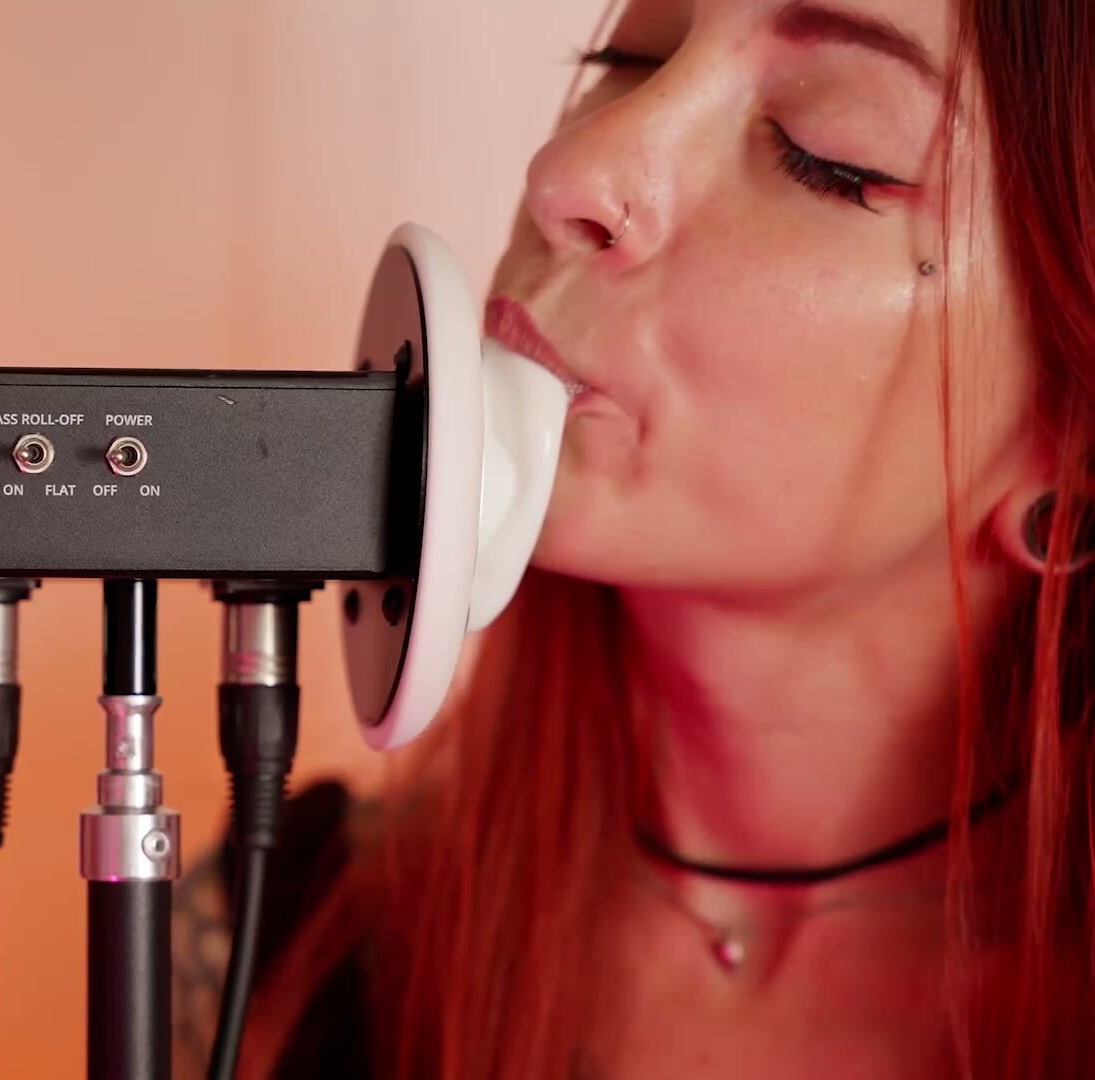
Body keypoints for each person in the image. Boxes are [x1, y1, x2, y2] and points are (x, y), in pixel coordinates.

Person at [175, 0, 1095, 1076]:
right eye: (630, 58)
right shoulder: (275, 947)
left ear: (1070, 439)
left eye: (824, 155)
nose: (570, 170)